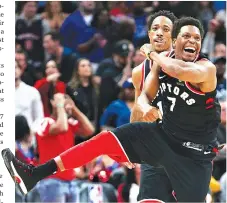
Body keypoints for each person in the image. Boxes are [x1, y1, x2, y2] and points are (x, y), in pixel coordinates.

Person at [2, 17, 221, 202]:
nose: (192, 41)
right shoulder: (154, 66)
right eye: (187, 36)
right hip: (163, 139)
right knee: (105, 139)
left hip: (194, 156)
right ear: (176, 41)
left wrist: (153, 53)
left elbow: (178, 69)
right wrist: (141, 119)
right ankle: (35, 174)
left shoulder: (205, 68)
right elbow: (144, 97)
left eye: (197, 38)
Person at [130, 10, 177, 202]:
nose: (159, 33)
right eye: (155, 29)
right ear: (149, 35)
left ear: (174, 38)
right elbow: (136, 111)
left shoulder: (185, 64)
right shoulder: (138, 72)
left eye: (165, 29)